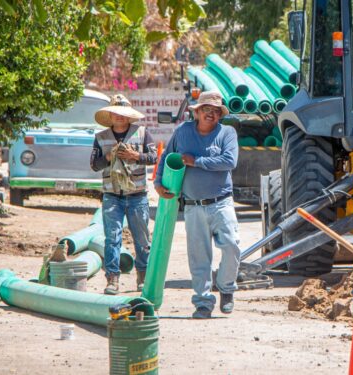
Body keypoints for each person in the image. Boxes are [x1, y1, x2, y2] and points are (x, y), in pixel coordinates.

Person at [154, 91, 241, 319]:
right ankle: (203, 302)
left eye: (215, 111)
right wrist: (158, 182)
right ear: (197, 112)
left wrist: (197, 161)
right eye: (206, 110)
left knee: (231, 246)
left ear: (220, 114)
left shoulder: (227, 133)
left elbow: (229, 161)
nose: (210, 114)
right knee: (199, 257)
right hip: (193, 205)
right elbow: (167, 156)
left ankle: (226, 288)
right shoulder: (183, 132)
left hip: (221, 202)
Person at [91, 94, 157, 295]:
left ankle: (143, 276)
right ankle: (112, 279)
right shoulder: (101, 138)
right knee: (112, 238)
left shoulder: (143, 133)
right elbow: (94, 165)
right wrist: (109, 157)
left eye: (123, 114)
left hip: (137, 195)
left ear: (129, 116)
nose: (119, 117)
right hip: (112, 195)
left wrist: (135, 156)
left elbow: (154, 157)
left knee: (142, 239)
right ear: (110, 115)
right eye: (116, 113)